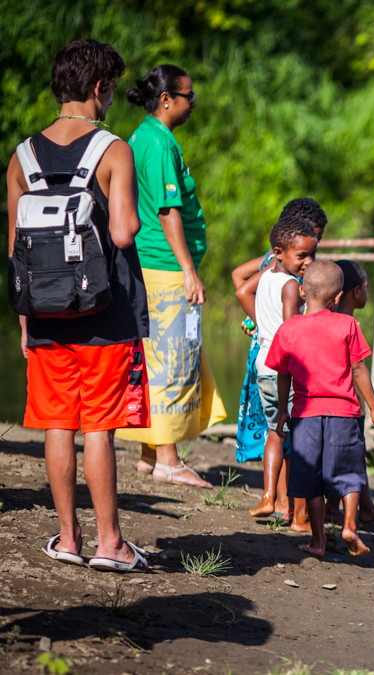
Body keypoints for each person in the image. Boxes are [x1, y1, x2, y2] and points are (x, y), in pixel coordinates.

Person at [6, 39, 150, 570]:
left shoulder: (21, 158)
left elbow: (16, 247)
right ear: (99, 88)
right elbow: (122, 232)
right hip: (103, 312)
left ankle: (68, 540)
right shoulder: (113, 150)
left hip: (43, 310)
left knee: (58, 424)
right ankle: (111, 545)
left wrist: (26, 321)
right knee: (99, 427)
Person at [116, 64, 225, 488]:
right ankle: (168, 460)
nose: (193, 104)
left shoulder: (141, 136)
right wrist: (188, 270)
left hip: (150, 266)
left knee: (156, 355)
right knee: (173, 360)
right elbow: (167, 212)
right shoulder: (159, 143)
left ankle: (148, 452)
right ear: (167, 100)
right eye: (188, 96)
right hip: (164, 266)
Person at [265, 261, 374, 558]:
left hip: (304, 414)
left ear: (303, 293)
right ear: (337, 298)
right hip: (343, 414)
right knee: (350, 473)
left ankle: (318, 541)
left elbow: (282, 375)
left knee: (311, 482)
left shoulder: (288, 328)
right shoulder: (347, 324)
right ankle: (349, 525)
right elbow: (358, 368)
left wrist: (283, 410)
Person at [233, 199, 327, 519]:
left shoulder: (267, 277)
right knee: (300, 438)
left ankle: (270, 496)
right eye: (302, 256)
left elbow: (242, 290)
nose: (308, 262)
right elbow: (291, 332)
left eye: (312, 254)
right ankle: (300, 516)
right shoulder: (291, 285)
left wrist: (259, 326)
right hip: (285, 369)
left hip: (263, 364)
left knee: (275, 432)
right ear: (279, 252)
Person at [334, 259, 374, 525]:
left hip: (323, 405)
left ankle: (367, 505)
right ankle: (345, 514)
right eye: (366, 286)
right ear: (356, 292)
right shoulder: (349, 325)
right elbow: (358, 368)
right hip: (347, 406)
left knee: (348, 455)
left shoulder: (322, 320)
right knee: (349, 458)